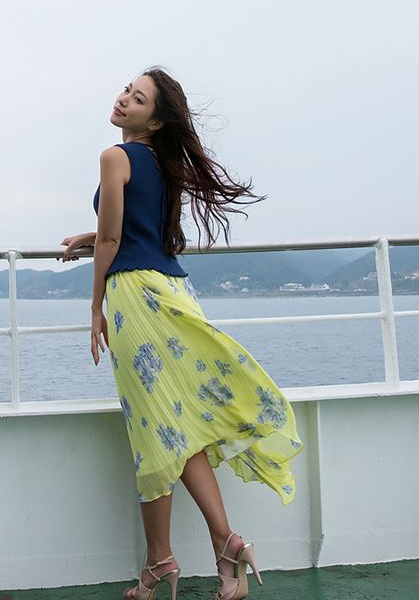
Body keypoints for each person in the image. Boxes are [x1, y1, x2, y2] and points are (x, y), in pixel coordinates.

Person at [60, 68, 302, 600]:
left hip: (137, 300)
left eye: (138, 99)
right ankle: (224, 544)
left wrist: (95, 306)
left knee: (154, 429)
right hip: (174, 290)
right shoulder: (164, 165)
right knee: (178, 426)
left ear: (155, 120)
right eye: (127, 90)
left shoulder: (114, 156)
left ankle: (161, 562)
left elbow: (115, 240)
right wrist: (92, 235)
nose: (124, 100)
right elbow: (136, 231)